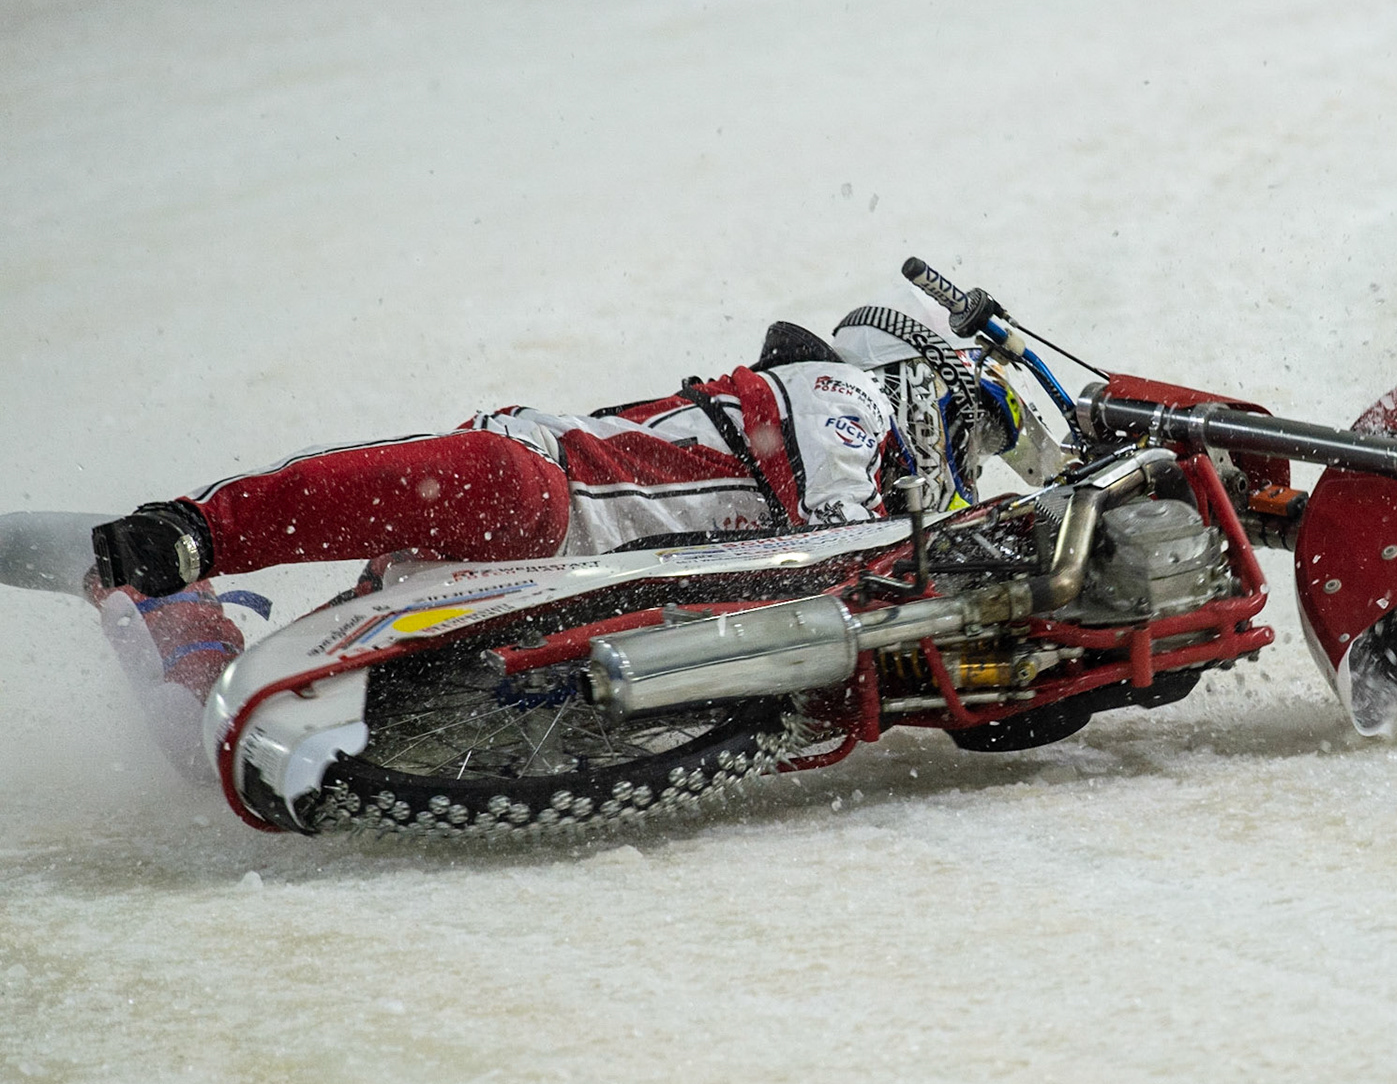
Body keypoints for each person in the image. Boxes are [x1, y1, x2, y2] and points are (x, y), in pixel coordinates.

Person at [0, 288, 1064, 770]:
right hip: (547, 505)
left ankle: (158, 609)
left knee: (223, 742)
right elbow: (858, 550)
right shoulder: (840, 400)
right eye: (963, 444)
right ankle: (195, 536)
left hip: (546, 587)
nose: (952, 474)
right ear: (927, 389)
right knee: (499, 484)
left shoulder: (845, 454)